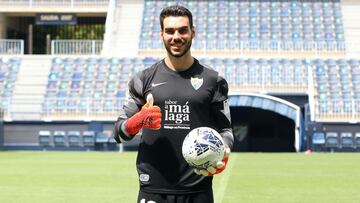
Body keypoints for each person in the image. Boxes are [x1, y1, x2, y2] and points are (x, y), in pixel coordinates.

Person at [113, 4, 234, 203]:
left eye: (182, 30)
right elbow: (119, 133)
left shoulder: (214, 80)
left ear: (192, 32)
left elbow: (225, 130)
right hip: (153, 188)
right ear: (161, 34)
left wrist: (223, 152)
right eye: (169, 31)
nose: (176, 36)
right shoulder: (143, 79)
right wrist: (138, 121)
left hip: (198, 189)